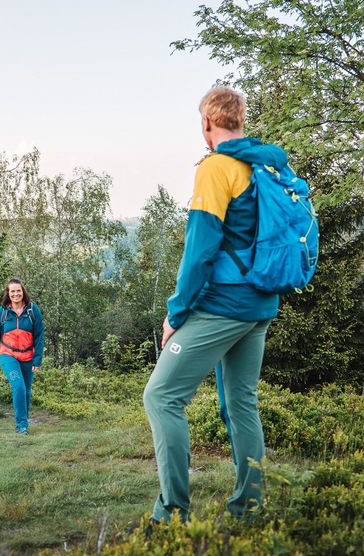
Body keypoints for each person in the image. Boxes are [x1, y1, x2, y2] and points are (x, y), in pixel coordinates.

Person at [143, 86, 285, 522]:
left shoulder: (216, 168)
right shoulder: (266, 167)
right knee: (241, 403)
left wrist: (175, 314)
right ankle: (249, 508)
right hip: (261, 305)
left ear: (207, 124)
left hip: (223, 305)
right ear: (241, 121)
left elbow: (199, 252)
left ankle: (172, 513)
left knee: (161, 395)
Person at [0, 278, 44, 435]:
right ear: (8, 293)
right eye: (12, 291)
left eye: (18, 290)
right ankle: (21, 426)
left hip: (28, 355)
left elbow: (39, 336)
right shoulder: (2, 312)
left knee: (26, 390)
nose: (15, 294)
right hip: (7, 354)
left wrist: (37, 359)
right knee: (18, 385)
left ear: (23, 291)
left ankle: (23, 422)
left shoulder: (33, 311)